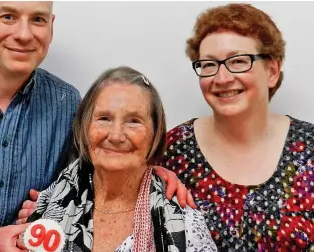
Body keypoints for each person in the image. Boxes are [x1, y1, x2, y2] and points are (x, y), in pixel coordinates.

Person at [0, 2, 190, 251]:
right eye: (8, 17)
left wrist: (146, 172)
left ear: (51, 28)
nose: (24, 34)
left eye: (37, 19)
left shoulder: (66, 102)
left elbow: (94, 171)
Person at [158, 3, 314, 251]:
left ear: (272, 70)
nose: (222, 78)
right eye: (209, 64)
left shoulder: (309, 149)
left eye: (239, 61)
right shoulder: (172, 151)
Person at [20, 66, 217, 252]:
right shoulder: (48, 204)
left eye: (134, 121)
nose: (116, 136)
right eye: (104, 118)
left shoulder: (186, 226)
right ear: (84, 127)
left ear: (155, 134)